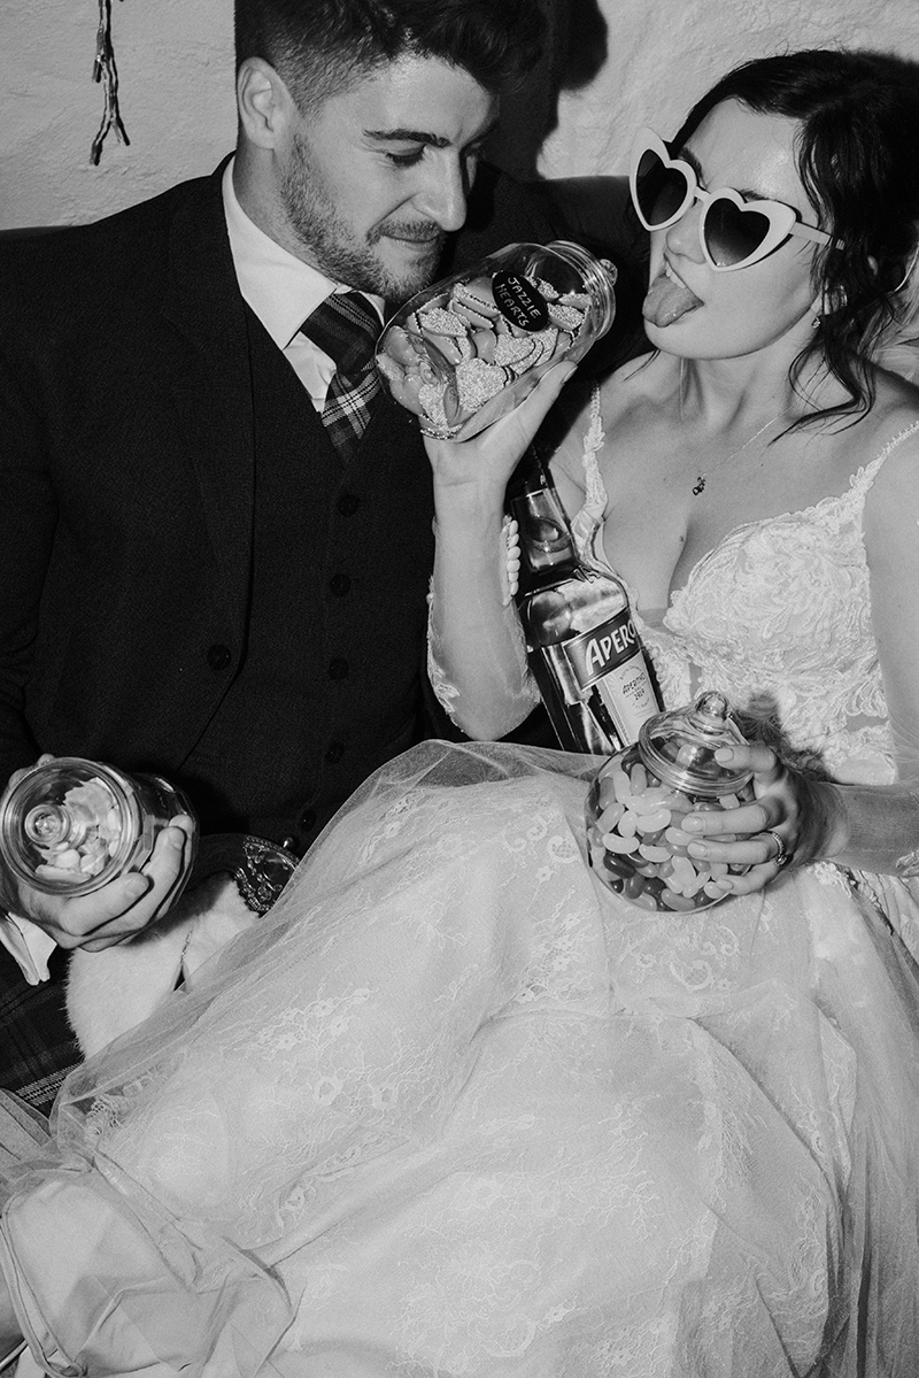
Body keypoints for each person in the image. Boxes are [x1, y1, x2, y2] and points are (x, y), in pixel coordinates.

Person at [4, 44, 919, 1374]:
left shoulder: (895, 468)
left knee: (585, 1193)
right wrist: (464, 477)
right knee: (397, 948)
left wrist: (806, 818)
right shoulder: (611, 402)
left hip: (804, 926)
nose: (670, 240)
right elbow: (488, 715)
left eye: (735, 223)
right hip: (580, 842)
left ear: (836, 272)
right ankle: (101, 1267)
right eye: (670, 183)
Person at [0, 0, 571, 1107]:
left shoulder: (522, 272)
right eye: (403, 151)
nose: (449, 204)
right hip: (103, 939)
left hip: (391, 921)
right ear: (268, 104)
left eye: (471, 149)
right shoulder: (45, 318)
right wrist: (30, 863)